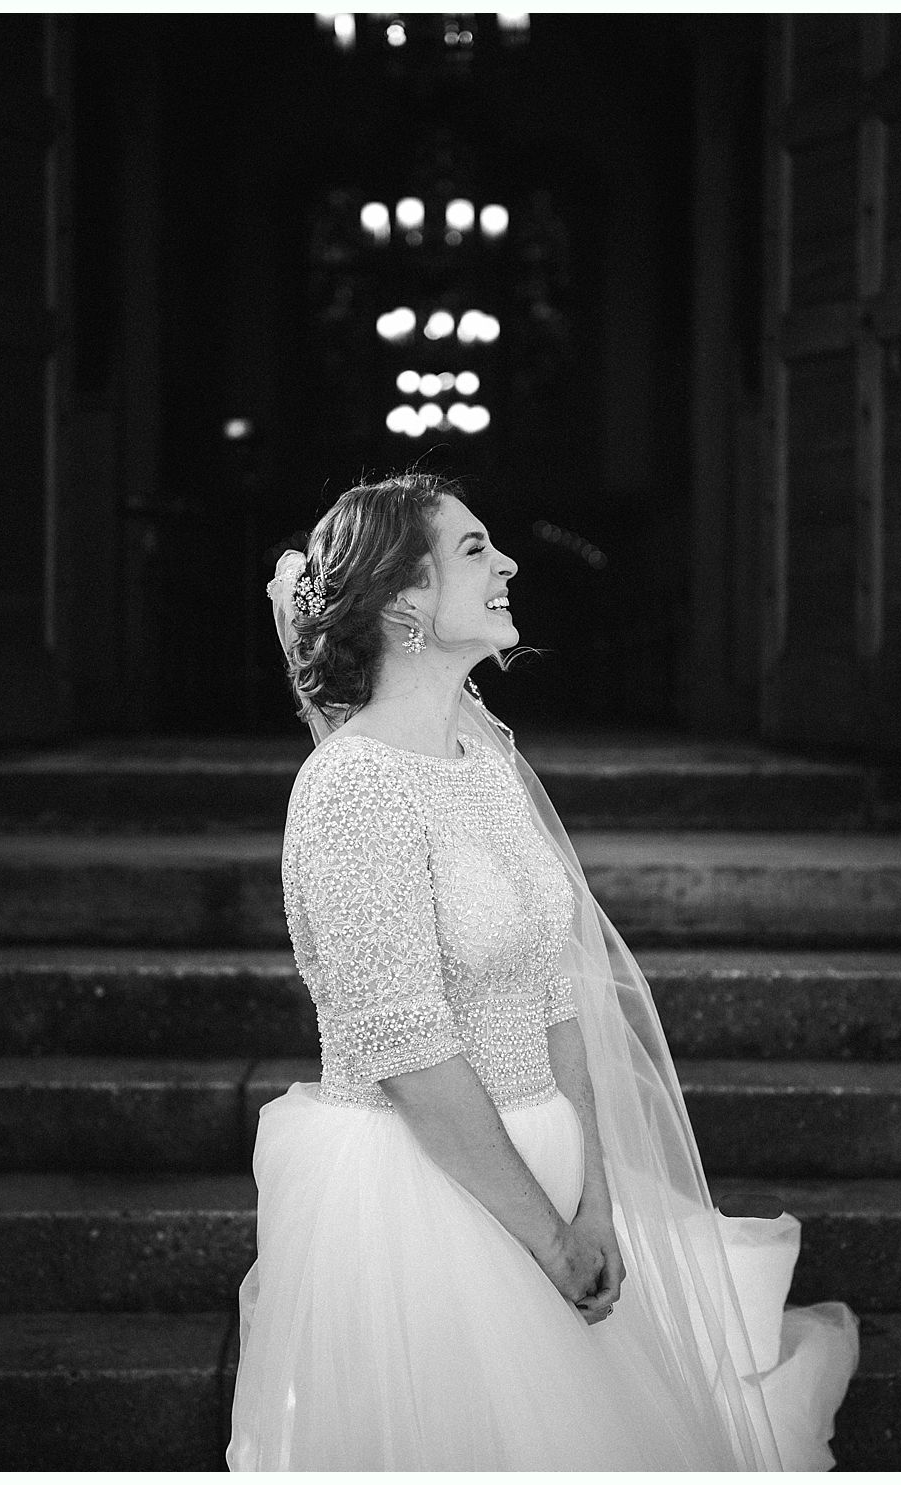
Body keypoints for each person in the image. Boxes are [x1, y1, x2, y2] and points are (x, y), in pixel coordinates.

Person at [227, 471, 858, 1471]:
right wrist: (547, 1239)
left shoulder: (482, 767)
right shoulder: (350, 788)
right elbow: (403, 1047)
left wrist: (597, 1201)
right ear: (403, 599)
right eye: (475, 548)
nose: (510, 561)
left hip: (555, 1171)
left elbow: (558, 995)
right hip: (425, 1199)